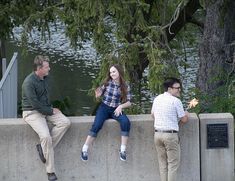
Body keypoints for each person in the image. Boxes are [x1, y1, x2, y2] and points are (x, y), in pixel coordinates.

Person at [22, 55, 71, 181]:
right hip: (32, 112)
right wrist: (50, 110)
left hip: (46, 110)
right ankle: (50, 172)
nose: (49, 68)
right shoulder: (29, 82)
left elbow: (44, 100)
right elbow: (35, 104)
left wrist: (50, 109)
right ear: (39, 68)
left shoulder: (46, 78)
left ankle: (43, 149)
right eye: (47, 67)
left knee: (66, 122)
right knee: (45, 136)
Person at [81, 64, 132, 162]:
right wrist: (97, 94)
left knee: (125, 122)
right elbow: (99, 94)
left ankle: (122, 150)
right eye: (111, 72)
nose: (111, 74)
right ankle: (84, 149)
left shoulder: (125, 85)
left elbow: (129, 102)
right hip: (104, 108)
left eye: (114, 71)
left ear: (119, 72)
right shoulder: (107, 82)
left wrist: (121, 106)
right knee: (97, 125)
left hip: (116, 109)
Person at [151, 77, 189, 181]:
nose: (179, 90)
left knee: (162, 164)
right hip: (170, 136)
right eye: (177, 88)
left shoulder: (157, 98)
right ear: (169, 89)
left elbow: (153, 115)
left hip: (157, 135)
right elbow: (184, 120)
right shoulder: (176, 101)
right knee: (172, 165)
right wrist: (186, 114)